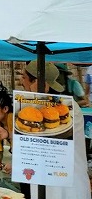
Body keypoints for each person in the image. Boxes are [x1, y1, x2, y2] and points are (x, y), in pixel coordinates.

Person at [21, 60, 91, 199]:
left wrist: (38, 97)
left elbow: (48, 142)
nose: (21, 82)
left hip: (67, 185)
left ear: (37, 82)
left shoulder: (68, 109)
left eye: (24, 78)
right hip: (46, 182)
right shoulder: (36, 109)